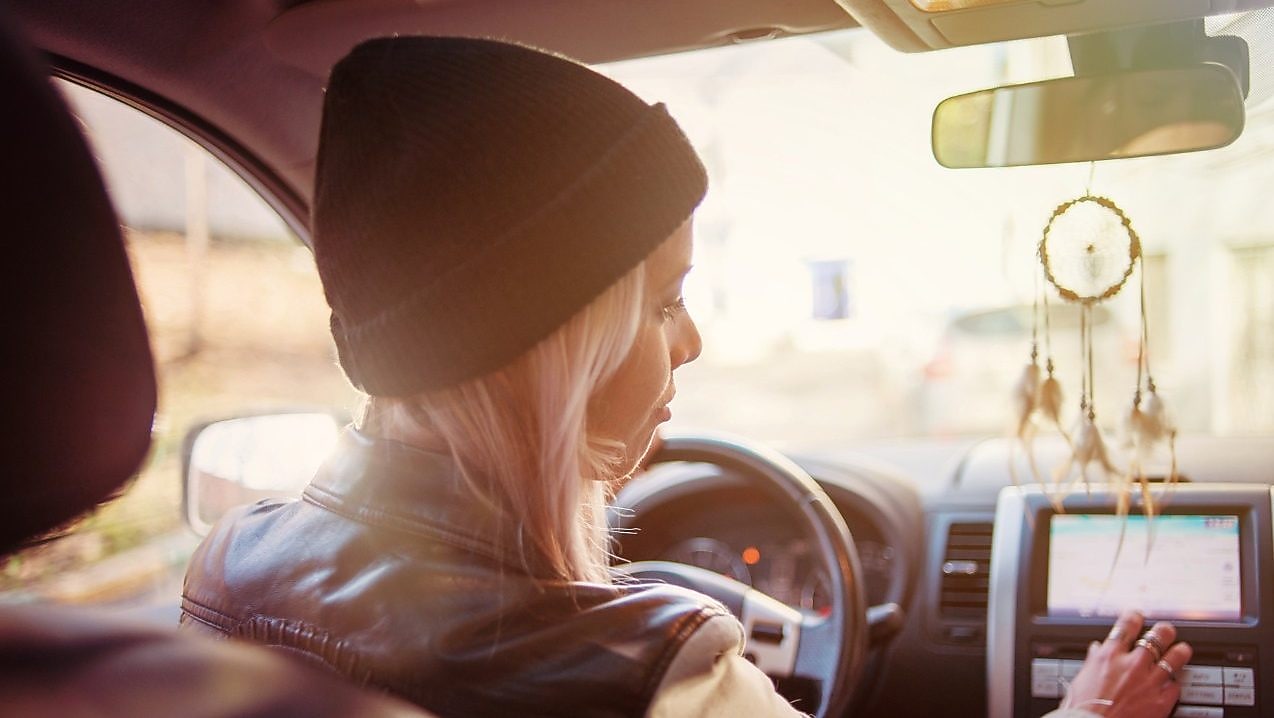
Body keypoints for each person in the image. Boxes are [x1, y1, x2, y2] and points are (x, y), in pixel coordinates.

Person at [181, 36, 1191, 717]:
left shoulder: (227, 573)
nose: (693, 340)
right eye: (663, 302)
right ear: (553, 345)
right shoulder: (672, 676)